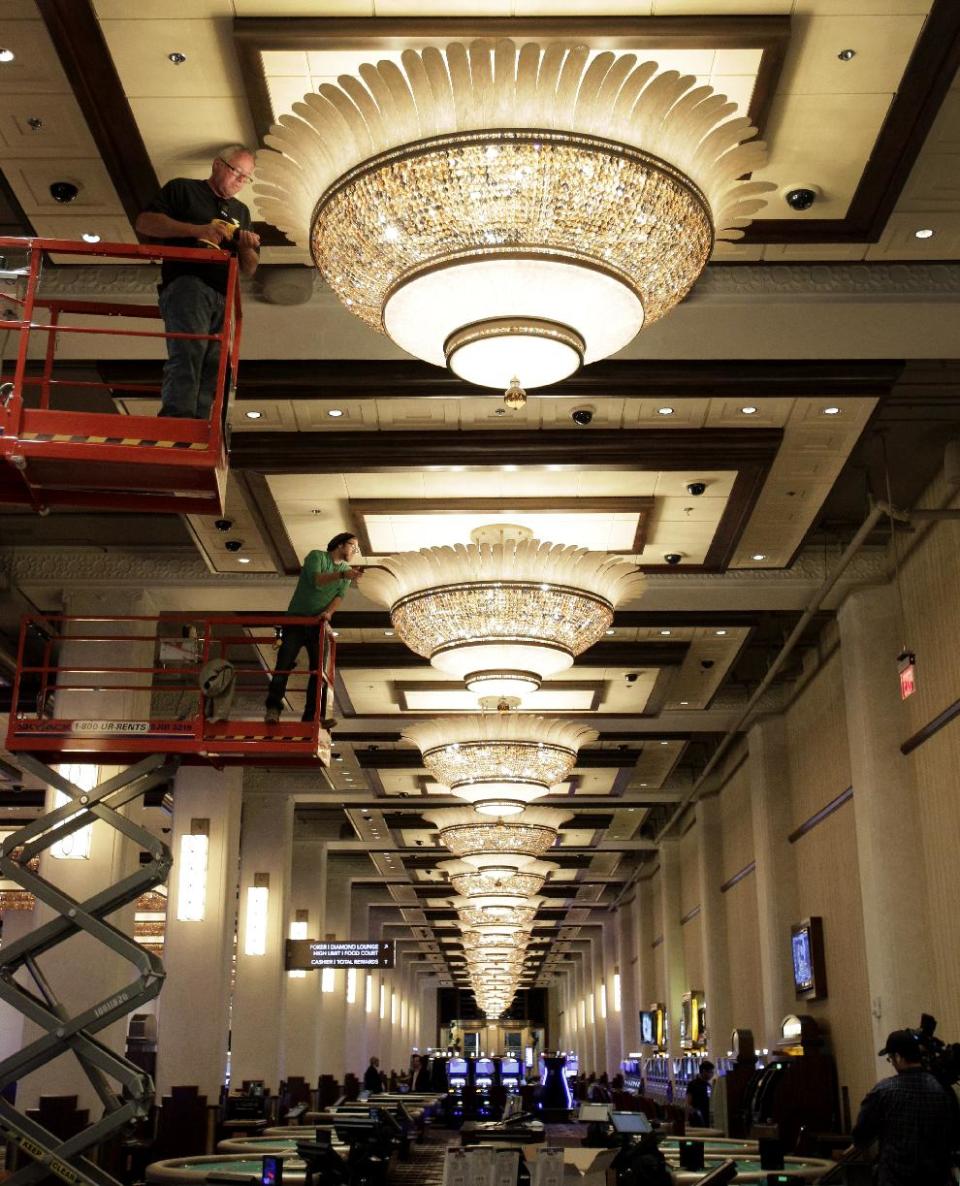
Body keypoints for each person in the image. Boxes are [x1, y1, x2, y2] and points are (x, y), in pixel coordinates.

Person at [135, 146, 261, 419]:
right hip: (187, 282)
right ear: (217, 165)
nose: (241, 181)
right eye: (237, 171)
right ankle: (177, 421)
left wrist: (246, 246)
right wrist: (197, 230)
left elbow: (249, 268)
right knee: (189, 352)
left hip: (222, 293)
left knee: (213, 364)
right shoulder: (183, 190)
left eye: (247, 177)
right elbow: (145, 223)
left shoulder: (241, 210)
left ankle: (200, 424)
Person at [264, 533, 363, 725]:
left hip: (317, 624)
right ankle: (273, 708)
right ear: (341, 544)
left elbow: (339, 597)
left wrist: (329, 614)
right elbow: (317, 581)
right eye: (353, 546)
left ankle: (313, 717)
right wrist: (344, 574)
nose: (355, 551)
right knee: (284, 664)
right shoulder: (317, 557)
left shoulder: (346, 570)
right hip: (295, 621)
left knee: (320, 672)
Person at [848, 1029, 958, 1186]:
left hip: (895, 1178)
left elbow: (861, 1134)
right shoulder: (941, 1090)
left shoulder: (883, 1091)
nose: (892, 1062)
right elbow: (952, 1135)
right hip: (934, 1178)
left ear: (898, 1057)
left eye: (890, 1058)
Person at [685, 1060, 715, 1127]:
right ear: (704, 1071)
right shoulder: (692, 1084)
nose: (712, 1075)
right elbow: (688, 1103)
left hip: (707, 1117)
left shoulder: (708, 1085)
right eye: (711, 1072)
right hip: (697, 1119)